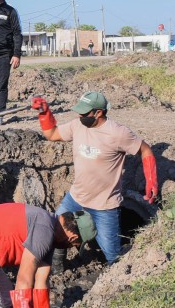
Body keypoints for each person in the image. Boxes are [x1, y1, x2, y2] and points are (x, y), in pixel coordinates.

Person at [32, 91, 158, 265]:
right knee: (54, 230)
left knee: (113, 256)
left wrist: (151, 181)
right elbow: (52, 135)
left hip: (104, 205)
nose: (80, 116)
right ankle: (57, 267)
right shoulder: (77, 125)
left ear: (98, 113)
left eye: (84, 113)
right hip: (76, 198)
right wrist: (44, 113)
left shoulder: (117, 133)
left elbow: (145, 149)